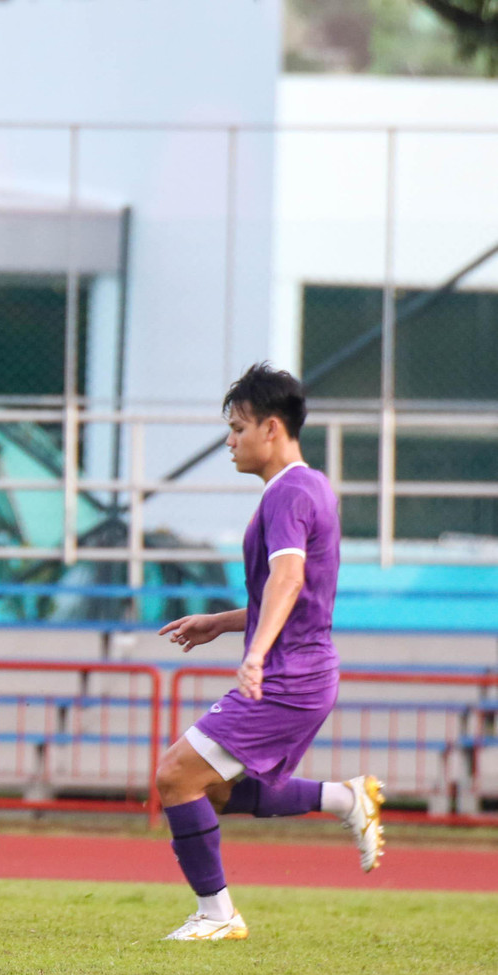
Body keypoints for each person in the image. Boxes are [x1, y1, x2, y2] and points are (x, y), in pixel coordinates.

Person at [156, 363, 384, 941]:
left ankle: (217, 915)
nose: (230, 441)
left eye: (237, 428)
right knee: (214, 788)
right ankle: (344, 796)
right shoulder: (306, 489)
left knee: (176, 777)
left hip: (290, 676)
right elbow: (292, 593)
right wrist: (225, 623)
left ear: (272, 429)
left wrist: (254, 652)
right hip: (303, 671)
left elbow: (288, 578)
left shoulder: (289, 493)